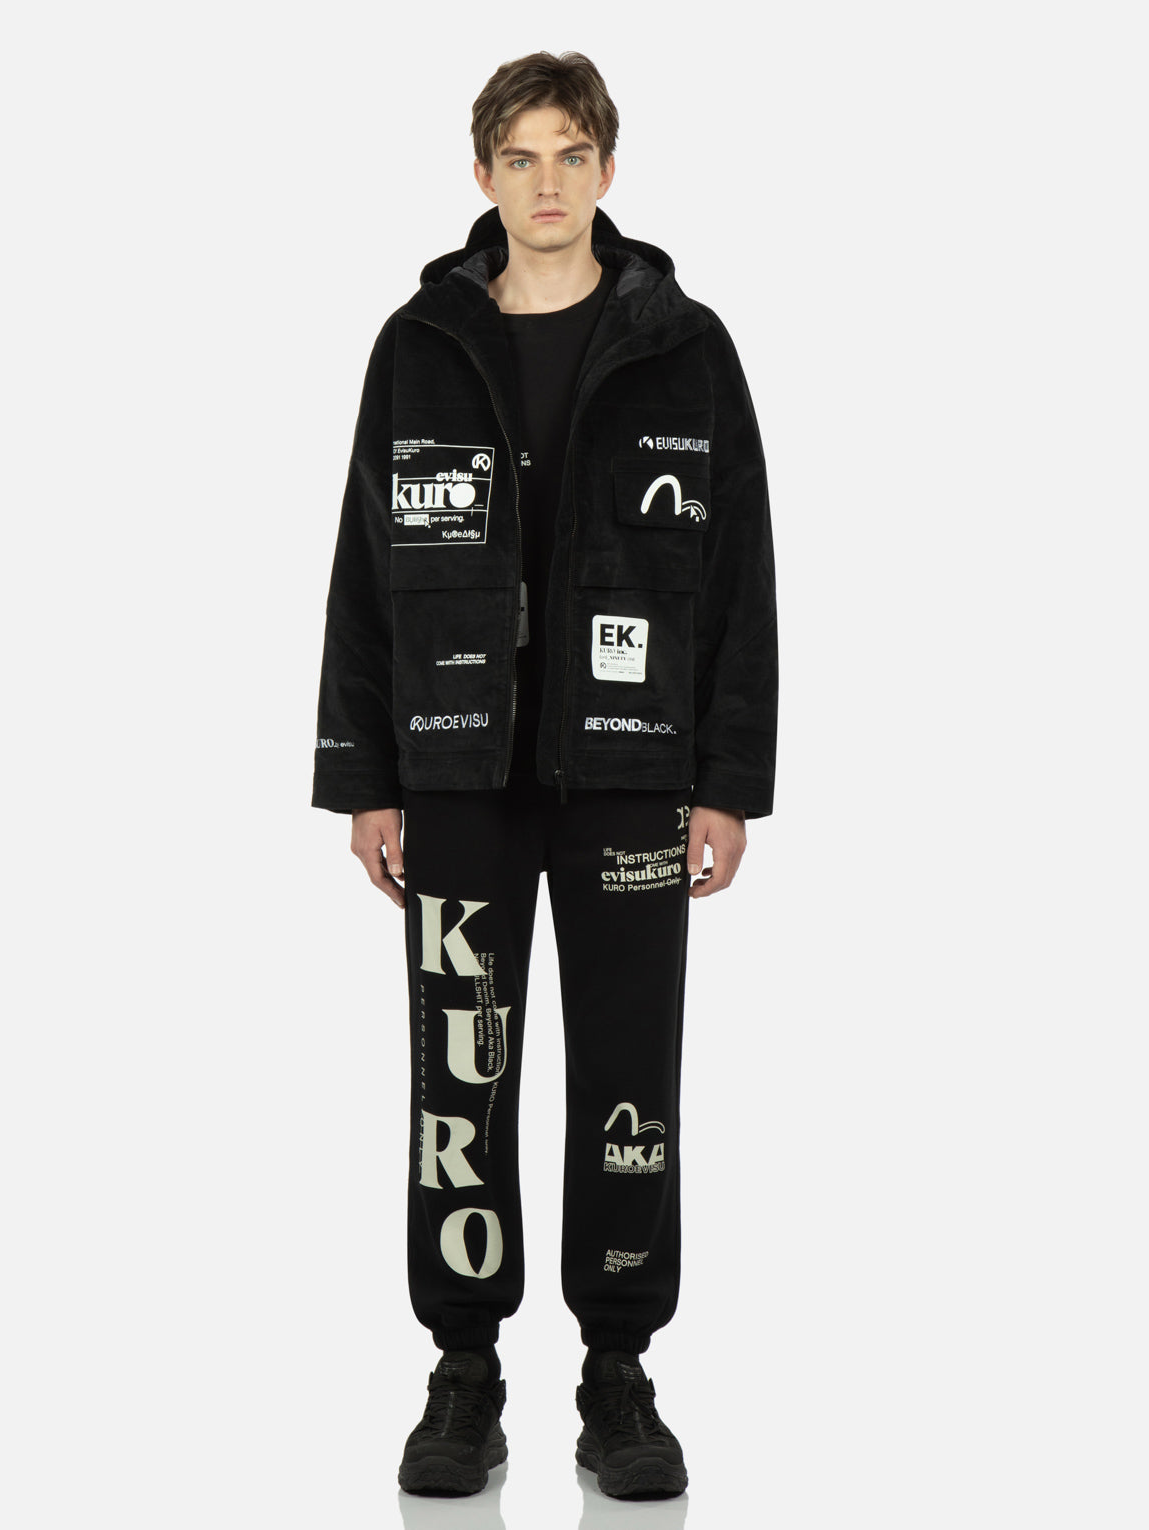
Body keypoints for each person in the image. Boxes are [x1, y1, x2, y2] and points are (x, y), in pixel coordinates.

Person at [312, 50, 777, 1500]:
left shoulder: (685, 345)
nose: (549, 182)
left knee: (632, 1071)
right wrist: (365, 773)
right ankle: (464, 1369)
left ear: (608, 169)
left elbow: (742, 571)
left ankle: (618, 1370)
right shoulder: (418, 344)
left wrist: (727, 780)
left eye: (573, 154)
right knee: (461, 1073)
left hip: (633, 769)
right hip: (455, 769)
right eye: (521, 157)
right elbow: (364, 567)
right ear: (483, 176)